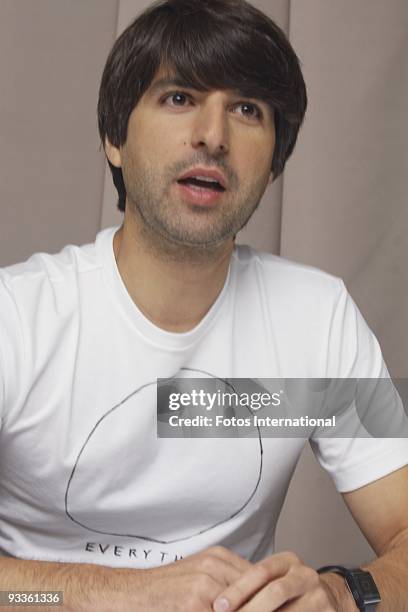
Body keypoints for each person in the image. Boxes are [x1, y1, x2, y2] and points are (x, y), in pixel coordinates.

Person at [0, 0, 407, 610]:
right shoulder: (16, 319)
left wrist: (340, 596)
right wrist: (105, 595)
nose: (212, 136)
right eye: (179, 97)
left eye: (247, 109)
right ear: (114, 138)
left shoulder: (318, 317)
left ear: (273, 163)